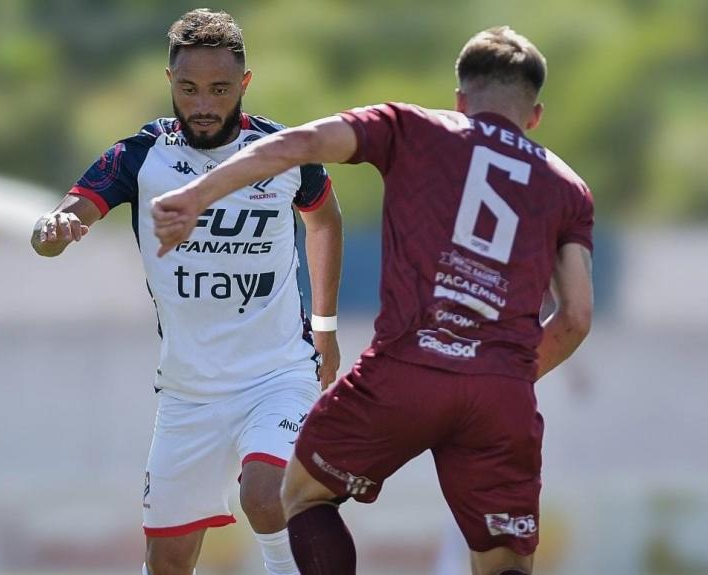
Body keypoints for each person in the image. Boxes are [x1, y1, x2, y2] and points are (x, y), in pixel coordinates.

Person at [151, 25, 594, 575]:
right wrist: (506, 376)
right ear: (535, 116)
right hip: (500, 390)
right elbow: (574, 317)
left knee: (304, 493)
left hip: (407, 368)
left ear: (460, 99)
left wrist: (198, 195)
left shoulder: (412, 127)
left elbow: (300, 145)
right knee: (504, 560)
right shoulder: (568, 186)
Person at [30, 9, 342, 575]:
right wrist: (50, 230)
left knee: (266, 494)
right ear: (170, 81)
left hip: (278, 374)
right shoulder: (139, 157)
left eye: (219, 89)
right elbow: (58, 225)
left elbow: (324, 219)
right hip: (188, 392)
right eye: (190, 88)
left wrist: (325, 327)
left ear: (243, 85)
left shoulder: (283, 152)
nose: (203, 104)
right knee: (168, 562)